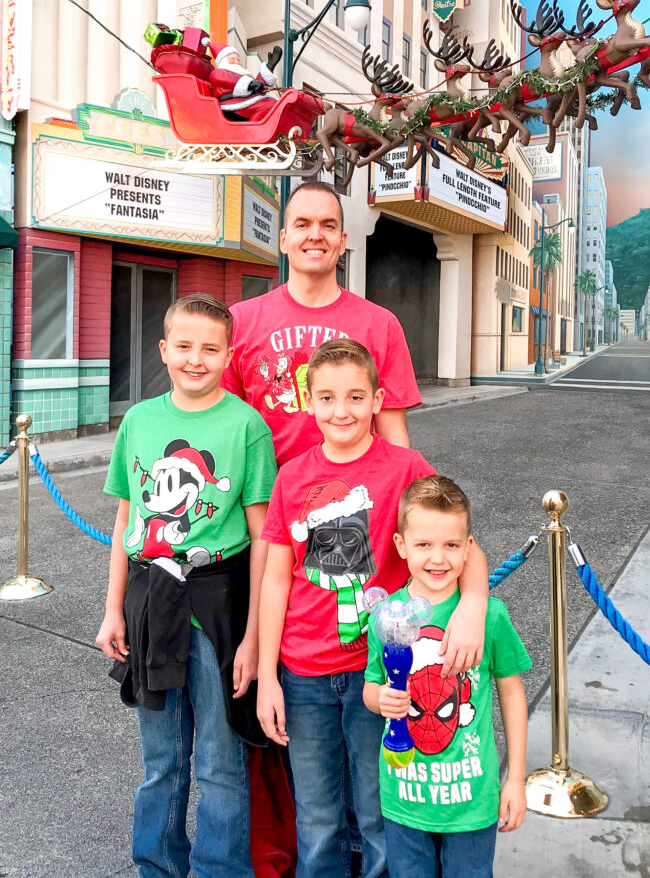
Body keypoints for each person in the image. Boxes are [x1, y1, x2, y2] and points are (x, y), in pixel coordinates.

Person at [256, 339, 489, 878]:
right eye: (329, 397)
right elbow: (274, 580)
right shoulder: (291, 477)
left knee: (380, 810)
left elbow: (464, 543)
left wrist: (473, 602)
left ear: (379, 399)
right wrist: (268, 676)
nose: (343, 411)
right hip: (304, 672)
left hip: (384, 675)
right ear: (307, 400)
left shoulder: (405, 467)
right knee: (316, 817)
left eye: (357, 397)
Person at [95, 294, 277, 878]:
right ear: (164, 349)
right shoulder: (140, 421)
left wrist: (252, 639)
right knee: (162, 759)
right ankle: (157, 865)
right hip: (150, 601)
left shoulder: (247, 425)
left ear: (229, 354)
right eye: (185, 346)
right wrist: (112, 611)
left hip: (218, 603)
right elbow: (126, 522)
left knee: (221, 763)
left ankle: (219, 869)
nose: (196, 359)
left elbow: (262, 538)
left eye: (211, 348)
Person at [363, 475, 531, 878]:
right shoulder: (386, 618)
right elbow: (371, 684)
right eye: (424, 545)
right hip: (404, 797)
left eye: (451, 545)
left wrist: (516, 780)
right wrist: (380, 698)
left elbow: (511, 694)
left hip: (472, 801)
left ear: (468, 548)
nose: (438, 558)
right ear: (401, 546)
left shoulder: (490, 617)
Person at [222, 180, 421, 467]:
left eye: (328, 225)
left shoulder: (381, 325)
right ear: (283, 239)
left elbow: (394, 439)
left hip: (353, 499)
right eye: (302, 224)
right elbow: (225, 426)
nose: (315, 235)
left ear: (342, 242)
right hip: (264, 498)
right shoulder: (240, 320)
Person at [206, 40, 282, 120]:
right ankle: (256, 127)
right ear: (223, 61)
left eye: (238, 60)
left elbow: (257, 83)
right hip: (231, 104)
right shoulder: (217, 73)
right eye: (233, 59)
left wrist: (269, 67)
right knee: (269, 105)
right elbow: (231, 81)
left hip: (244, 100)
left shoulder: (242, 74)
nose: (237, 62)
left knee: (274, 103)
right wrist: (249, 85)